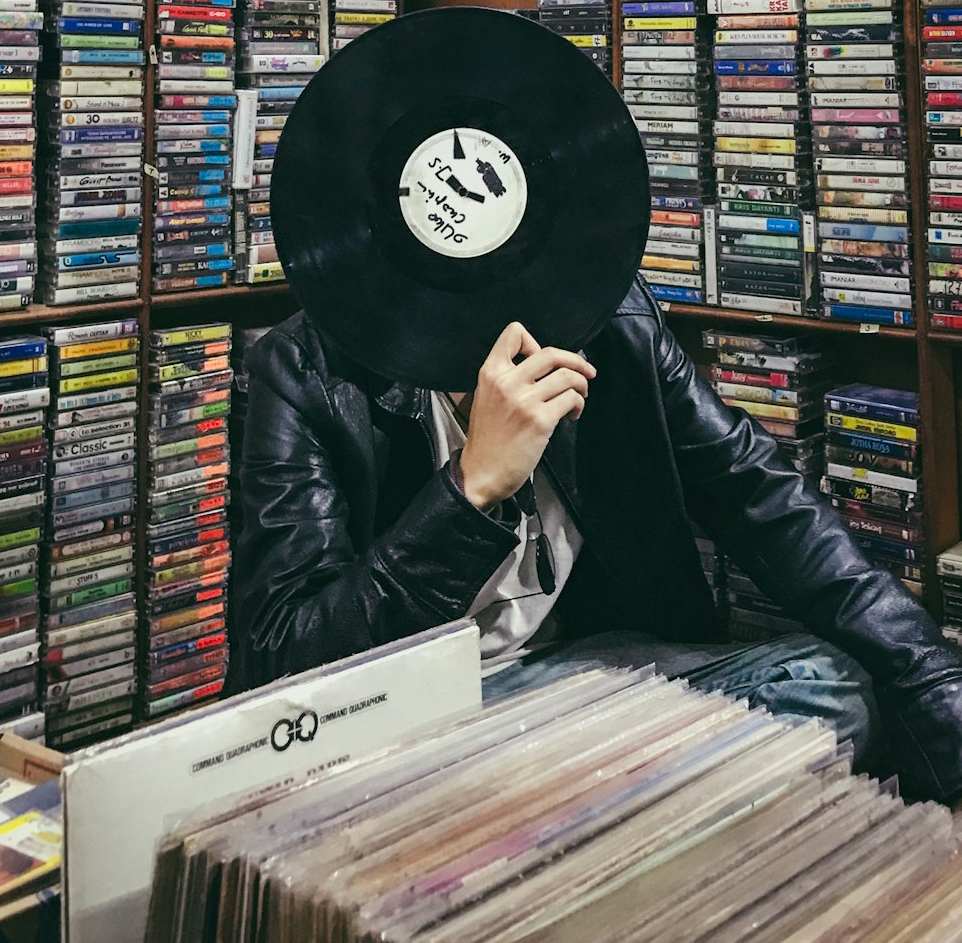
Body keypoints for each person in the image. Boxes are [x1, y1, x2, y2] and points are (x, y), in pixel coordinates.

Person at [229, 278, 962, 805]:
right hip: (409, 722)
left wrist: (933, 679)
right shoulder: (307, 368)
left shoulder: (613, 320)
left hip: (590, 689)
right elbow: (287, 654)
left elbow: (764, 496)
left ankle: (537, 848)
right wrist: (470, 488)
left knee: (832, 688)